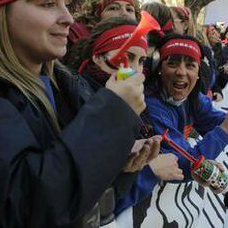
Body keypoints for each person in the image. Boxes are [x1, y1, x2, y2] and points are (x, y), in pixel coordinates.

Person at [0, 0, 157, 226]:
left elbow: (77, 199)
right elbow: (26, 206)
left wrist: (119, 165)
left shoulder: (66, 85)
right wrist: (114, 113)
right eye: (47, 4)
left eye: (66, 3)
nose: (68, 17)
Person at [73, 17, 184, 215]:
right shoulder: (79, 104)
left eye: (141, 61)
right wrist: (148, 173)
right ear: (98, 58)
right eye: (127, 57)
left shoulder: (130, 101)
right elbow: (84, 202)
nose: (136, 70)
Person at [145, 33, 228, 183]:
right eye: (172, 64)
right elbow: (182, 164)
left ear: (198, 73)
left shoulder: (194, 99)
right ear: (159, 69)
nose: (181, 72)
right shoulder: (151, 107)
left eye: (190, 65)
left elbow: (223, 128)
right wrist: (226, 128)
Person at [62, 0, 141, 66]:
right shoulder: (72, 34)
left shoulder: (140, 47)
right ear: (96, 15)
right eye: (113, 8)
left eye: (129, 9)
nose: (124, 13)